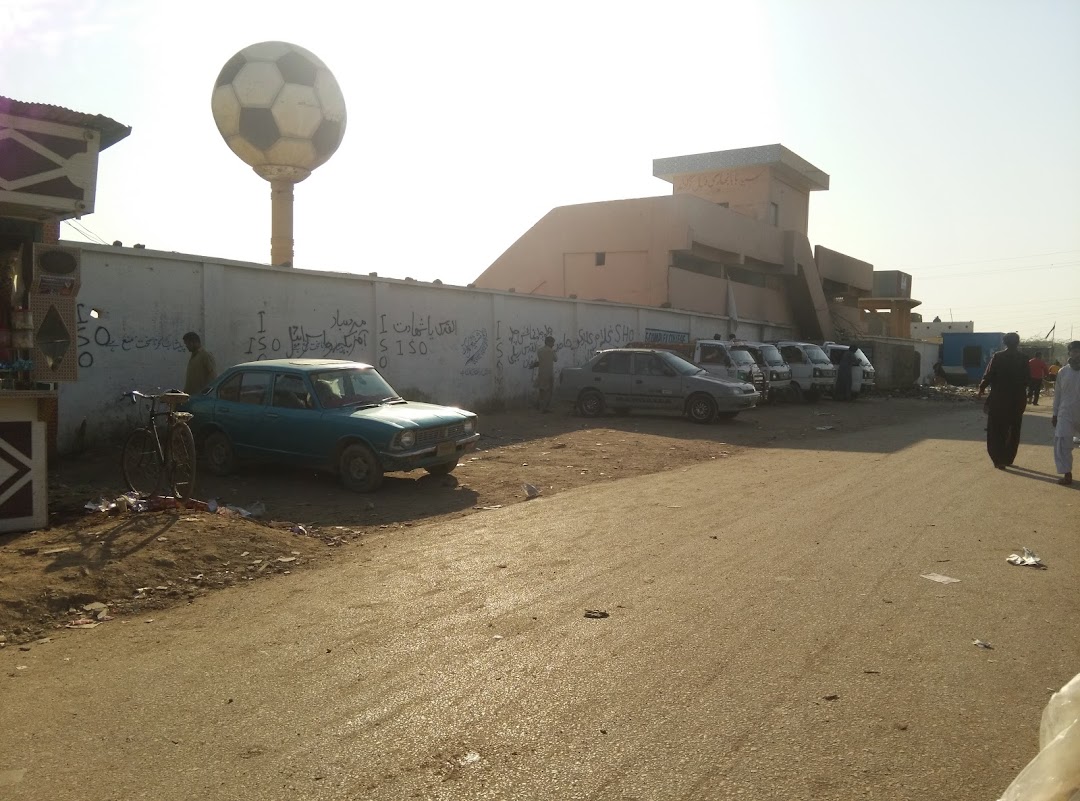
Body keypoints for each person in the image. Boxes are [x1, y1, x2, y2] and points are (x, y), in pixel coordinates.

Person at [977, 332, 1029, 469]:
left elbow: (989, 375)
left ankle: (998, 459)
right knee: (1013, 429)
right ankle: (1008, 458)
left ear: (1004, 343)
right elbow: (1026, 380)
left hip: (999, 399)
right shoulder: (1024, 358)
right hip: (1017, 399)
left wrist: (981, 388)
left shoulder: (998, 357)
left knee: (996, 429)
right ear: (1018, 343)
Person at [1050, 341, 1080, 486]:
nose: (1077, 354)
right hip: (1065, 413)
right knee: (1062, 443)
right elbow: (1058, 395)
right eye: (1074, 351)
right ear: (1069, 353)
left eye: (1079, 351)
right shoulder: (1063, 372)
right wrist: (1055, 414)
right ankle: (1067, 474)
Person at [183, 331, 217, 396]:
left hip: (201, 398)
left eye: (187, 344)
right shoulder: (194, 357)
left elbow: (213, 377)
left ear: (192, 342)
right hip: (191, 397)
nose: (186, 346)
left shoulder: (205, 355)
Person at [530, 335, 557, 413]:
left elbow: (541, 361)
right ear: (549, 342)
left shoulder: (540, 350)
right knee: (549, 392)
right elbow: (556, 359)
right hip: (549, 374)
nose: (553, 344)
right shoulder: (551, 351)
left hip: (541, 373)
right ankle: (544, 408)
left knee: (542, 391)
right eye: (552, 343)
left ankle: (539, 405)